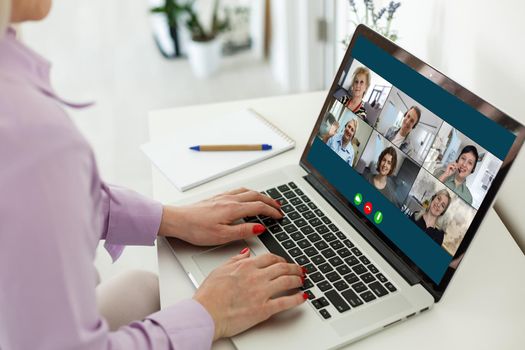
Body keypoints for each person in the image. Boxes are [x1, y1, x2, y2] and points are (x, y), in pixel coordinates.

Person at [0, 1, 307, 349]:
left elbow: (40, 204)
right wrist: (211, 314)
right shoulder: (29, 137)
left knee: (143, 288)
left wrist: (172, 219)